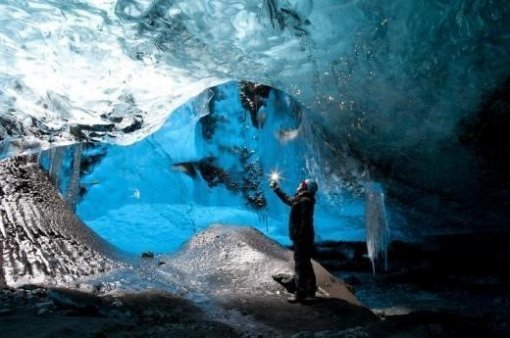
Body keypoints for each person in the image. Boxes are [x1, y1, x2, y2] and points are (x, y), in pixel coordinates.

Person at [270, 178, 318, 303]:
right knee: (304, 263)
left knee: (301, 265)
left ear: (306, 187)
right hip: (302, 238)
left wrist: (300, 236)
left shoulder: (305, 201)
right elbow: (288, 200)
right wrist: (277, 189)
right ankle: (308, 291)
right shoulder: (302, 199)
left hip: (302, 238)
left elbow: (305, 222)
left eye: (301, 184)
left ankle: (302, 293)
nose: (299, 185)